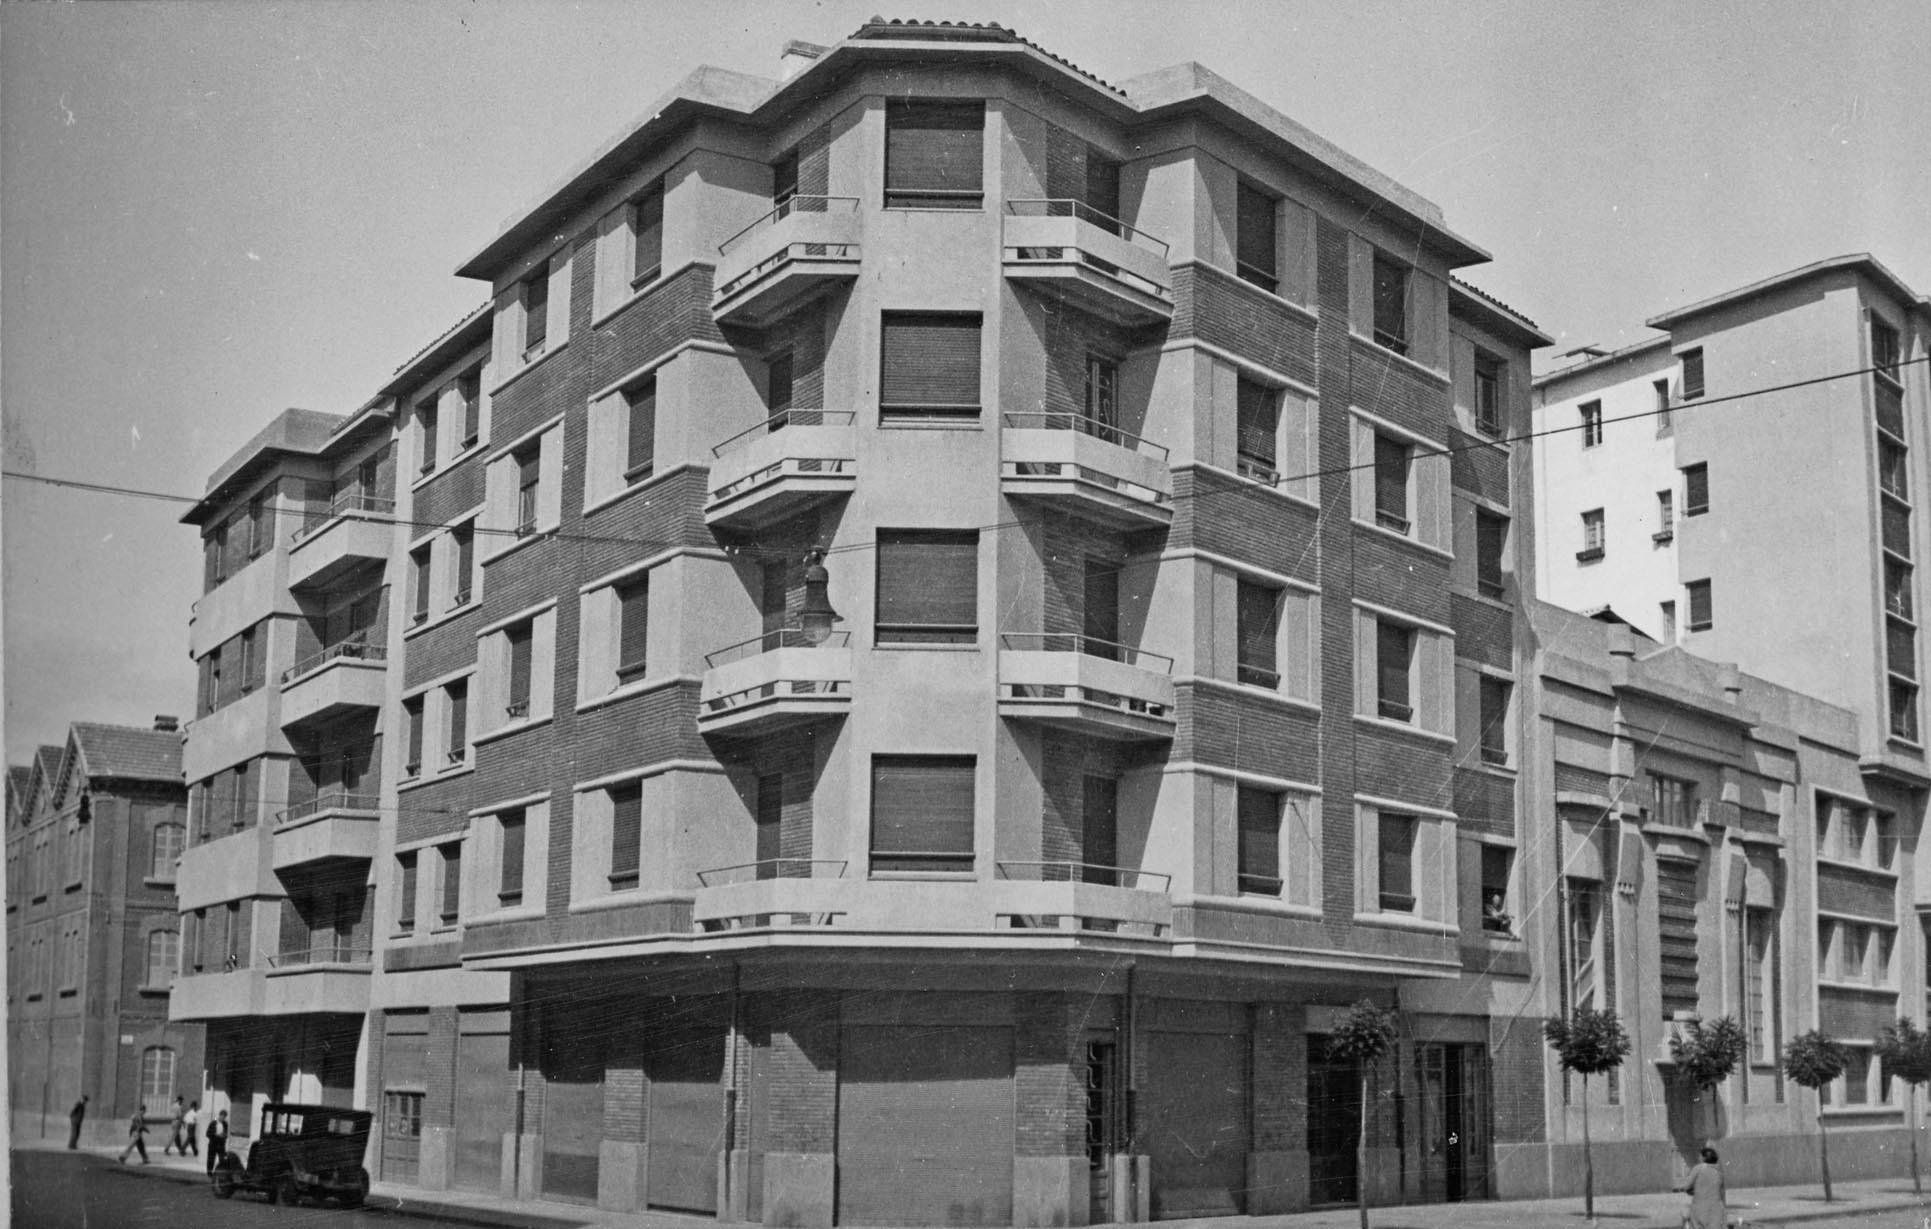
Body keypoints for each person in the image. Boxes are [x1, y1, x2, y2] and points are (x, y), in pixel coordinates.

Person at [1676, 1146, 1726, 1229]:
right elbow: (1722, 1192)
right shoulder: (1719, 1171)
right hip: (1716, 1209)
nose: (1699, 1158)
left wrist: (1686, 1189)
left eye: (1700, 1156)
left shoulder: (1699, 1168)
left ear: (1704, 1157)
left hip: (1700, 1207)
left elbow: (1686, 1186)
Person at [205, 1108, 229, 1177]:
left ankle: (221, 1173)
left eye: (224, 1117)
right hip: (213, 1144)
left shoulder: (225, 1124)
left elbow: (226, 1133)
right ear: (220, 1115)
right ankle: (209, 1173)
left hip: (221, 1145)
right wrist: (216, 1135)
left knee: (222, 1159)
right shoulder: (213, 1122)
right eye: (222, 1116)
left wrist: (224, 1135)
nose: (223, 1118)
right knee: (211, 1159)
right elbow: (207, 1134)